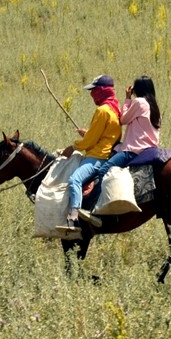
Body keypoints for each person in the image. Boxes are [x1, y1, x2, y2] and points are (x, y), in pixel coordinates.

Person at [59, 74, 122, 235]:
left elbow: (90, 141)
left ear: (102, 90)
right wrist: (87, 133)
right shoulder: (115, 109)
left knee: (74, 180)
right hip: (109, 153)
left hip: (98, 156)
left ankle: (74, 218)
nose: (91, 94)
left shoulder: (102, 111)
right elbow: (105, 135)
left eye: (94, 90)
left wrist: (73, 147)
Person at [99, 75, 162, 174]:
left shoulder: (139, 102)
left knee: (104, 170)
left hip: (135, 150)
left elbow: (123, 120)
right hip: (151, 149)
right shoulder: (154, 105)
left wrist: (128, 98)